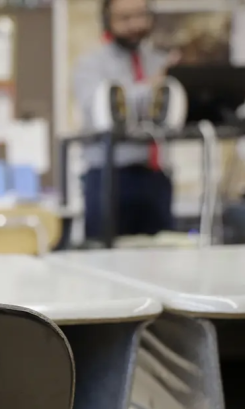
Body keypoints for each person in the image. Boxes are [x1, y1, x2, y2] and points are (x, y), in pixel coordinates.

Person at [73, 0, 179, 240]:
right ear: (107, 21)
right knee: (104, 261)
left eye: (140, 16)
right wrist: (149, 88)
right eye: (125, 18)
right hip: (110, 175)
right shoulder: (91, 65)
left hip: (155, 175)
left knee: (161, 258)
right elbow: (103, 108)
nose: (135, 25)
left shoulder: (157, 60)